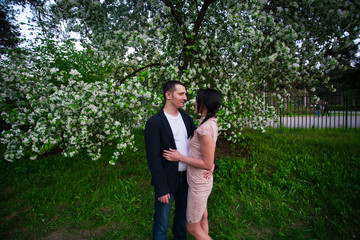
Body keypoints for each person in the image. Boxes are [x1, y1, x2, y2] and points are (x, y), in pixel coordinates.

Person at [163, 89, 221, 240]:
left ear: (205, 104)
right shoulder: (209, 122)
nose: (194, 102)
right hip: (201, 180)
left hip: (198, 184)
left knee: (193, 228)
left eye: (198, 101)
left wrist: (180, 157)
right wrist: (211, 164)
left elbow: (207, 163)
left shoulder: (204, 129)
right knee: (203, 217)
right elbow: (209, 153)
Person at [144, 81, 196, 240]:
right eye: (181, 94)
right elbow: (153, 158)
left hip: (187, 179)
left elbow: (198, 145)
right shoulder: (155, 122)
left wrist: (210, 164)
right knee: (161, 223)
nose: (185, 98)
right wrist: (161, 187)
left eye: (185, 94)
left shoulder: (187, 119)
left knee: (181, 220)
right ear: (168, 95)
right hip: (167, 180)